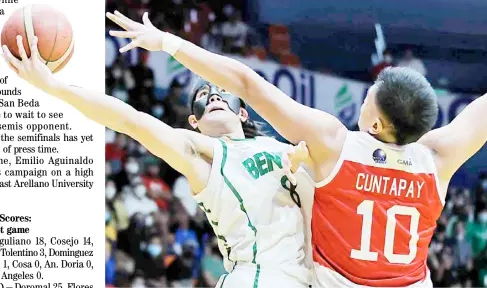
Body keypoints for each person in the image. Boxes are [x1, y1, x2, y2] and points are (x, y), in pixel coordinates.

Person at [107, 0, 487, 286]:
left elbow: (245, 83)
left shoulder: (333, 143)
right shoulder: (438, 157)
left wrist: (168, 43)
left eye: (371, 97)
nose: (364, 98)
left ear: (377, 124)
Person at [2, 37, 313, 287]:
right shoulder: (199, 157)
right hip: (255, 277)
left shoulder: (279, 147)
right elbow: (131, 121)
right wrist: (55, 87)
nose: (214, 95)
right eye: (204, 94)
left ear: (243, 113)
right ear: (194, 121)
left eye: (221, 92)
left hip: (309, 276)